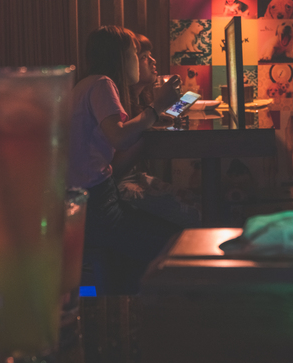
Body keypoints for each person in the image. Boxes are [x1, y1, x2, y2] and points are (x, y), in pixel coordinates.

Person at [67, 26, 183, 293]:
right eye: (135, 53)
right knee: (176, 242)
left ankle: (126, 300)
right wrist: (157, 106)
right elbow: (119, 137)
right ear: (120, 57)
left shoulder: (88, 84)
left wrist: (149, 120)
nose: (140, 59)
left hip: (86, 203)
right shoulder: (102, 83)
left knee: (148, 244)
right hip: (96, 207)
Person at [116, 34, 201, 228]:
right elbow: (117, 165)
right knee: (193, 212)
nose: (153, 60)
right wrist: (154, 117)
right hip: (120, 184)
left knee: (196, 200)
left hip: (134, 177)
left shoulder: (141, 103)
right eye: (144, 56)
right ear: (127, 63)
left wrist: (157, 118)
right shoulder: (118, 105)